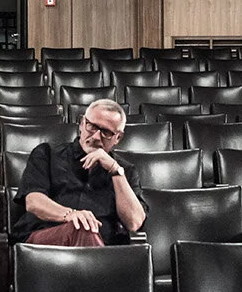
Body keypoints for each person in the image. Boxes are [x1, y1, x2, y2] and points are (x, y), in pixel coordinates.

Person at [13, 99, 147, 247]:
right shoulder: (47, 153)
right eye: (92, 126)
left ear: (118, 137)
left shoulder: (125, 171)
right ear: (82, 124)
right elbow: (34, 202)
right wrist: (71, 215)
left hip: (101, 245)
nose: (96, 137)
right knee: (82, 228)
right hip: (45, 240)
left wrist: (115, 171)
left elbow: (134, 222)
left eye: (106, 132)